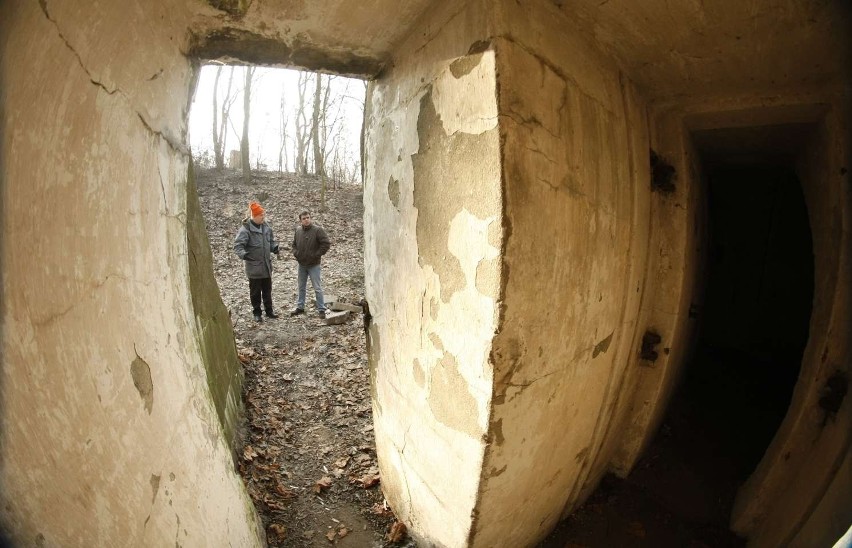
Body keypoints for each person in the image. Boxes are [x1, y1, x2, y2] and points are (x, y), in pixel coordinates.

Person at [234, 201, 280, 322]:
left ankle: (269, 311)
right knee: (255, 292)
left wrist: (274, 247)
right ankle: (257, 313)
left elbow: (271, 241)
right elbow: (238, 246)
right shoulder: (245, 229)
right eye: (261, 216)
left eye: (264, 215)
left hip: (266, 266)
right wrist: (244, 255)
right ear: (253, 216)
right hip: (254, 267)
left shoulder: (266, 227)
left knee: (267, 290)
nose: (263, 218)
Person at [290, 210, 331, 318]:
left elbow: (326, 244)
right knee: (301, 287)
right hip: (302, 264)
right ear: (300, 220)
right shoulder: (298, 231)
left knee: (317, 287)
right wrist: (296, 253)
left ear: (310, 218)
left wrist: (316, 254)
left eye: (308, 217)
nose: (306, 220)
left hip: (314, 265)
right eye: (304, 218)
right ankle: (300, 307)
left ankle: (321, 308)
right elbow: (293, 245)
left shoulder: (318, 230)